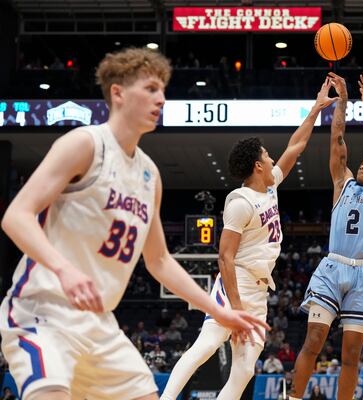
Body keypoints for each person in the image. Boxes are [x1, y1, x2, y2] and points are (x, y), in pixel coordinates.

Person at [0, 47, 268, 400]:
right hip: (43, 311)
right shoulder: (85, 144)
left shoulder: (149, 174)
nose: (162, 98)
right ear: (118, 94)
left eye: (163, 90)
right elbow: (16, 216)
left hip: (99, 324)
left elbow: (159, 261)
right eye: (151, 89)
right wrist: (64, 269)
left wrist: (220, 311)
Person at [160, 77, 339, 400]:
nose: (273, 159)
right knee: (207, 344)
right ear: (258, 165)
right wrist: (237, 308)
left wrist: (316, 109)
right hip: (236, 286)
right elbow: (224, 257)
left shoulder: (269, 188)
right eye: (268, 156)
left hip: (258, 290)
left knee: (245, 368)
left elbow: (295, 148)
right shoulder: (240, 200)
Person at [290, 72, 363, 400]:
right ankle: (292, 397)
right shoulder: (342, 183)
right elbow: (337, 137)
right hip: (333, 268)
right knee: (314, 341)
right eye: (361, 164)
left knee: (351, 356)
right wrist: (344, 102)